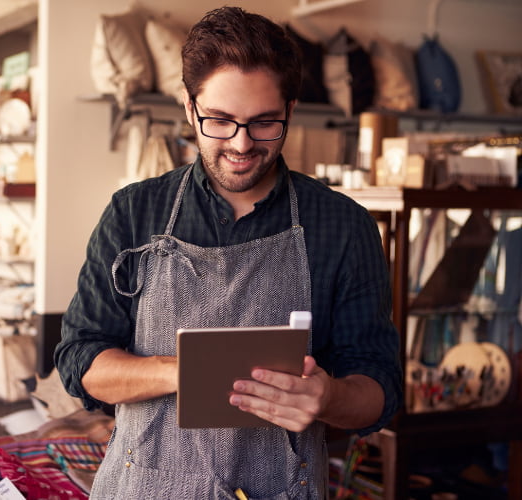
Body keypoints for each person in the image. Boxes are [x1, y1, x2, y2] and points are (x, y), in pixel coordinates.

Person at [55, 6, 402, 499]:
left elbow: (380, 389)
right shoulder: (134, 213)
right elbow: (79, 360)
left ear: (291, 109)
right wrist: (182, 371)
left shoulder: (344, 226)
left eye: (265, 123)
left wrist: (328, 397)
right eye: (219, 120)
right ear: (188, 105)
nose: (241, 144)